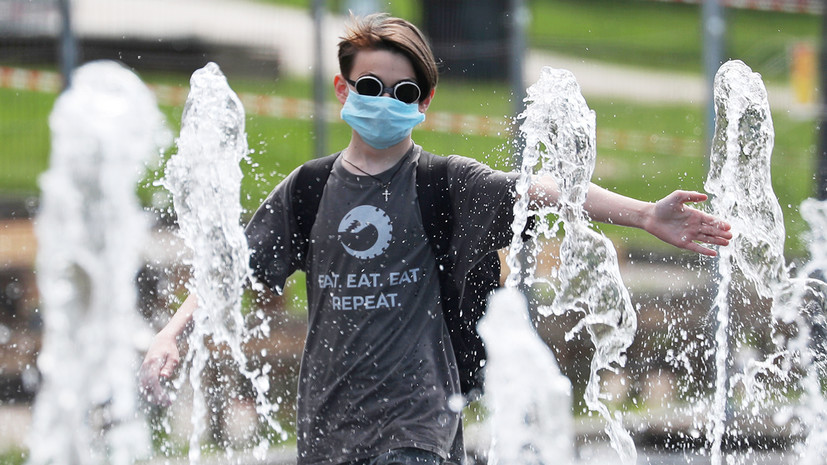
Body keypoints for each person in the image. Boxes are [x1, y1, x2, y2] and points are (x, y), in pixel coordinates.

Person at [140, 13, 732, 465]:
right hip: (326, 431)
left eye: (401, 93)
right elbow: (232, 269)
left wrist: (646, 215)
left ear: (421, 105)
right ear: (343, 91)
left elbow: (544, 188)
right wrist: (171, 334)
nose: (384, 102)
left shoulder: (444, 184)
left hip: (417, 431)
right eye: (369, 85)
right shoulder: (310, 189)